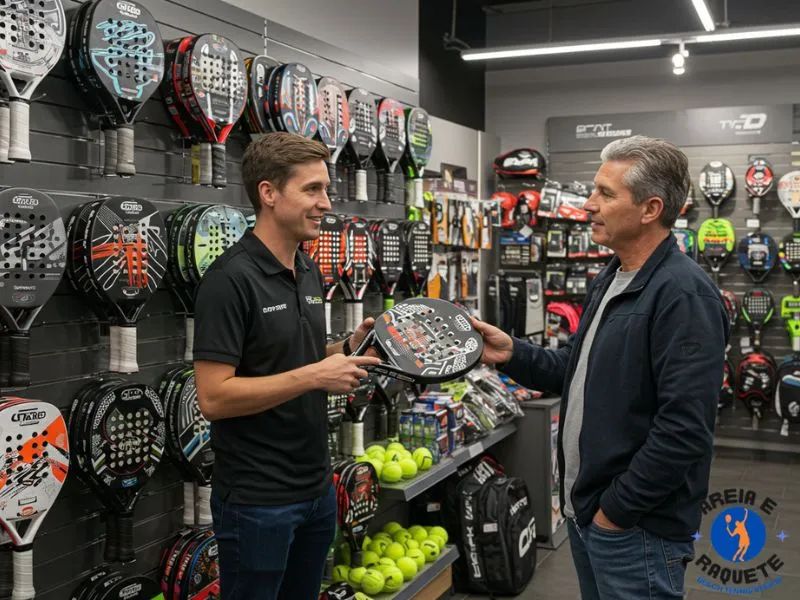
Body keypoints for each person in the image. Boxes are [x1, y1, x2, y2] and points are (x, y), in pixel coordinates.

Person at [471, 136, 729, 599]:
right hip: (592, 515)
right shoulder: (613, 275)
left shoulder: (684, 295)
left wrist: (617, 510)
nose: (588, 205)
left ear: (650, 209)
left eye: (605, 194)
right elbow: (579, 370)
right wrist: (513, 353)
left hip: (635, 528)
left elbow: (685, 429)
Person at [193, 132, 381, 600]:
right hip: (258, 500)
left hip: (316, 488)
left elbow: (293, 360)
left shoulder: (306, 268)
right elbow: (214, 397)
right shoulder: (229, 280)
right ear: (269, 193)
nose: (326, 203)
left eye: (327, 190)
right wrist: (317, 376)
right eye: (312, 189)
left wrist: (344, 348)